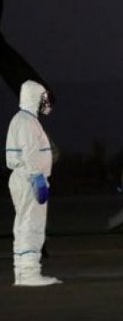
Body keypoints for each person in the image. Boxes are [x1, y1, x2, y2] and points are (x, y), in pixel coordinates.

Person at [5, 80, 61, 286]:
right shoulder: (27, 122)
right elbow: (30, 154)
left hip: (23, 177)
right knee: (32, 224)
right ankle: (29, 273)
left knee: (23, 224)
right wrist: (37, 178)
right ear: (33, 97)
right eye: (42, 98)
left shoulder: (22, 120)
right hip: (30, 178)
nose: (44, 103)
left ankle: (22, 272)